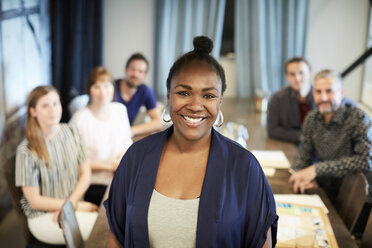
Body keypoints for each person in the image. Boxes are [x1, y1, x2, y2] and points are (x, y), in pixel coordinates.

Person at [105, 36, 278, 248]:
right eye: (184, 93)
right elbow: (116, 236)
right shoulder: (135, 157)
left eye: (208, 96)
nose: (196, 105)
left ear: (220, 102)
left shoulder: (244, 167)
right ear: (169, 96)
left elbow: (262, 243)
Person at [15, 85, 98, 245]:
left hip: (72, 205)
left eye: (55, 103)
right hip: (44, 216)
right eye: (45, 106)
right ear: (33, 111)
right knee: (106, 228)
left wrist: (71, 204)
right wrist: (76, 206)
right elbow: (34, 201)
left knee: (112, 221)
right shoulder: (26, 150)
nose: (53, 109)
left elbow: (86, 174)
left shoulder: (73, 132)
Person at [289, 69, 372, 204]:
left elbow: (365, 160)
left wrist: (316, 169)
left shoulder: (358, 118)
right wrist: (298, 175)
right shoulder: (312, 118)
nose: (324, 98)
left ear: (341, 93)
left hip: (354, 197)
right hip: (324, 189)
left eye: (329, 91)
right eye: (318, 92)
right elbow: (303, 154)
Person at [70, 67, 133, 205]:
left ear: (112, 87)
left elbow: (127, 142)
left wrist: (120, 164)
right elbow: (75, 161)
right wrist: (111, 167)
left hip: (121, 175)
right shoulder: (80, 119)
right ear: (89, 90)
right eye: (97, 87)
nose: (103, 91)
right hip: (93, 182)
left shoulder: (120, 110)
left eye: (106, 85)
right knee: (126, 204)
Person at [267, 57, 314, 144]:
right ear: (287, 76)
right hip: (291, 144)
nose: (297, 78)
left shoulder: (322, 97)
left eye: (301, 73)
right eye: (292, 74)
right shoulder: (277, 98)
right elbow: (272, 130)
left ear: (310, 74)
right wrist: (304, 137)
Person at [114, 53, 163, 137]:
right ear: (125, 70)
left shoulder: (145, 91)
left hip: (125, 136)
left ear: (144, 75)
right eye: (132, 69)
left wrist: (131, 130)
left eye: (140, 71)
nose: (135, 74)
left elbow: (158, 123)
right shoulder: (111, 87)